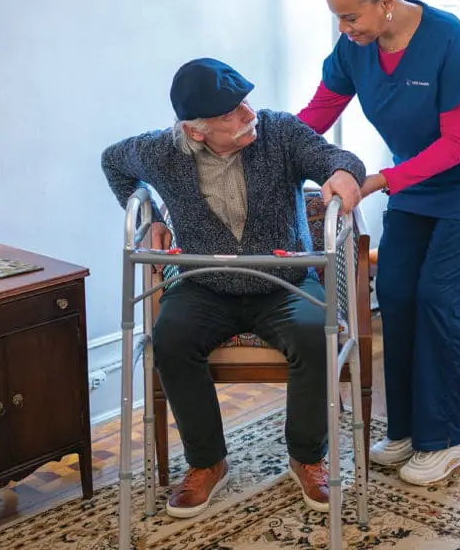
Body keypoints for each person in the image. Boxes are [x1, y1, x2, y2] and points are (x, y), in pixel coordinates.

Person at [296, 0, 460, 487]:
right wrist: (269, 145)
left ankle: (447, 439)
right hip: (418, 181)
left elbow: (458, 143)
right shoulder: (355, 48)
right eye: (339, 19)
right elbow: (318, 111)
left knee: (437, 296)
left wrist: (378, 182)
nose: (345, 30)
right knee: (393, 290)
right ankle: (404, 432)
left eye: (351, 17)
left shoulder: (446, 38)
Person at [101, 57, 364, 518]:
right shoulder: (163, 152)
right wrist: (153, 220)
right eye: (233, 113)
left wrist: (342, 171)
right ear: (197, 131)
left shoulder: (279, 133)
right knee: (170, 339)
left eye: (246, 101)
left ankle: (307, 456)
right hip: (205, 287)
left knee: (315, 334)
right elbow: (113, 161)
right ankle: (207, 463)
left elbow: (332, 157)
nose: (249, 115)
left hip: (284, 283)